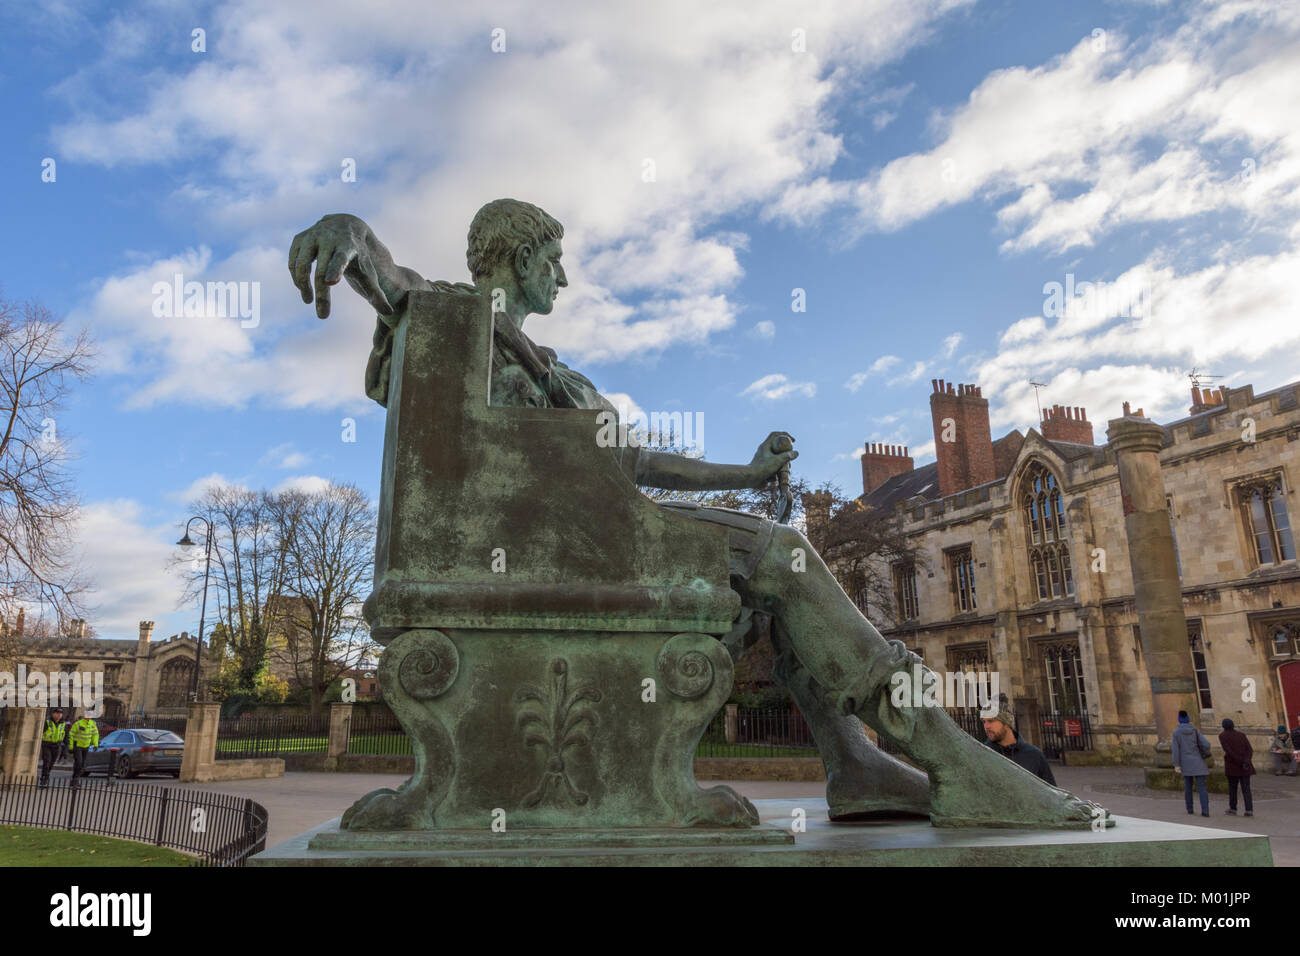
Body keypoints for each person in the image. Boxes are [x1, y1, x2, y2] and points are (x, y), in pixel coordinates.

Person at [286, 201, 1110, 830]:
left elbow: (635, 460)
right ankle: (937, 752)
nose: (562, 280)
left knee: (772, 565)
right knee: (780, 557)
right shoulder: (459, 321)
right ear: (519, 256)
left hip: (591, 536)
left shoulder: (556, 374)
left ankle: (854, 761)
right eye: (555, 260)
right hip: (538, 549)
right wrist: (353, 231)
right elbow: (393, 286)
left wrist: (744, 471)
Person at [981, 696, 1056, 784]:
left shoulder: (1034, 755)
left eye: (991, 721)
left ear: (1006, 723)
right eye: (984, 722)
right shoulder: (982, 756)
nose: (986, 726)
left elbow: (1052, 794)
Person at [1172, 710, 1212, 817]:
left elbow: (1175, 751)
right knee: (1202, 788)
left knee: (1188, 787)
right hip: (1199, 761)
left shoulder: (1176, 733)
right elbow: (1206, 744)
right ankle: (1205, 810)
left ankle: (1190, 808)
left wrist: (1176, 765)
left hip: (1186, 763)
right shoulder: (1195, 730)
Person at [1218, 718, 1254, 817]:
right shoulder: (1241, 735)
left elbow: (1229, 751)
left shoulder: (1222, 736)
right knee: (1246, 789)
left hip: (1233, 765)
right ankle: (1249, 809)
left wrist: (1239, 761)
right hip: (1245, 766)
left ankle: (1233, 808)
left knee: (1233, 788)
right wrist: (1246, 761)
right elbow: (1249, 749)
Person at [65, 713, 100, 786]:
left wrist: (95, 744)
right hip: (77, 746)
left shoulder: (93, 724)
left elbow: (95, 734)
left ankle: (75, 779)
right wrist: (71, 746)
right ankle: (75, 780)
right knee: (79, 762)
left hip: (86, 746)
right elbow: (71, 735)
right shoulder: (78, 724)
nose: (89, 717)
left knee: (82, 765)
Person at [39, 707, 67, 787]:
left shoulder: (63, 723)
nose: (59, 715)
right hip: (47, 745)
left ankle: (46, 776)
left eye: (60, 714)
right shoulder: (47, 722)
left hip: (57, 745)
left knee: (51, 763)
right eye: (57, 713)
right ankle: (44, 778)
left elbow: (66, 736)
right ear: (53, 713)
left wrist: (65, 749)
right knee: (47, 761)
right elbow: (40, 733)